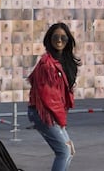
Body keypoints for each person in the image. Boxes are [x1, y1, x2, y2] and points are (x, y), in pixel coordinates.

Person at [27, 22, 81, 171]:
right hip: (44, 113)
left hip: (52, 113)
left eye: (63, 37)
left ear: (68, 40)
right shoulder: (47, 64)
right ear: (49, 39)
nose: (59, 40)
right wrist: (62, 124)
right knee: (64, 152)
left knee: (69, 151)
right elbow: (50, 98)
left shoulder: (63, 61)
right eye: (55, 37)